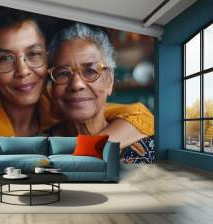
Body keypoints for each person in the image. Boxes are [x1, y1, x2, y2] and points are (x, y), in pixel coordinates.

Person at [0, 0, 154, 147]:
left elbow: (141, 117)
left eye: (34, 54)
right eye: (5, 58)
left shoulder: (55, 103)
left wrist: (89, 151)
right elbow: (8, 174)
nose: (23, 71)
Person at [48, 23, 155, 163]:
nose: (76, 85)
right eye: (63, 73)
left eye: (90, 71)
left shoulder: (149, 149)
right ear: (52, 87)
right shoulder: (40, 141)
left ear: (110, 81)